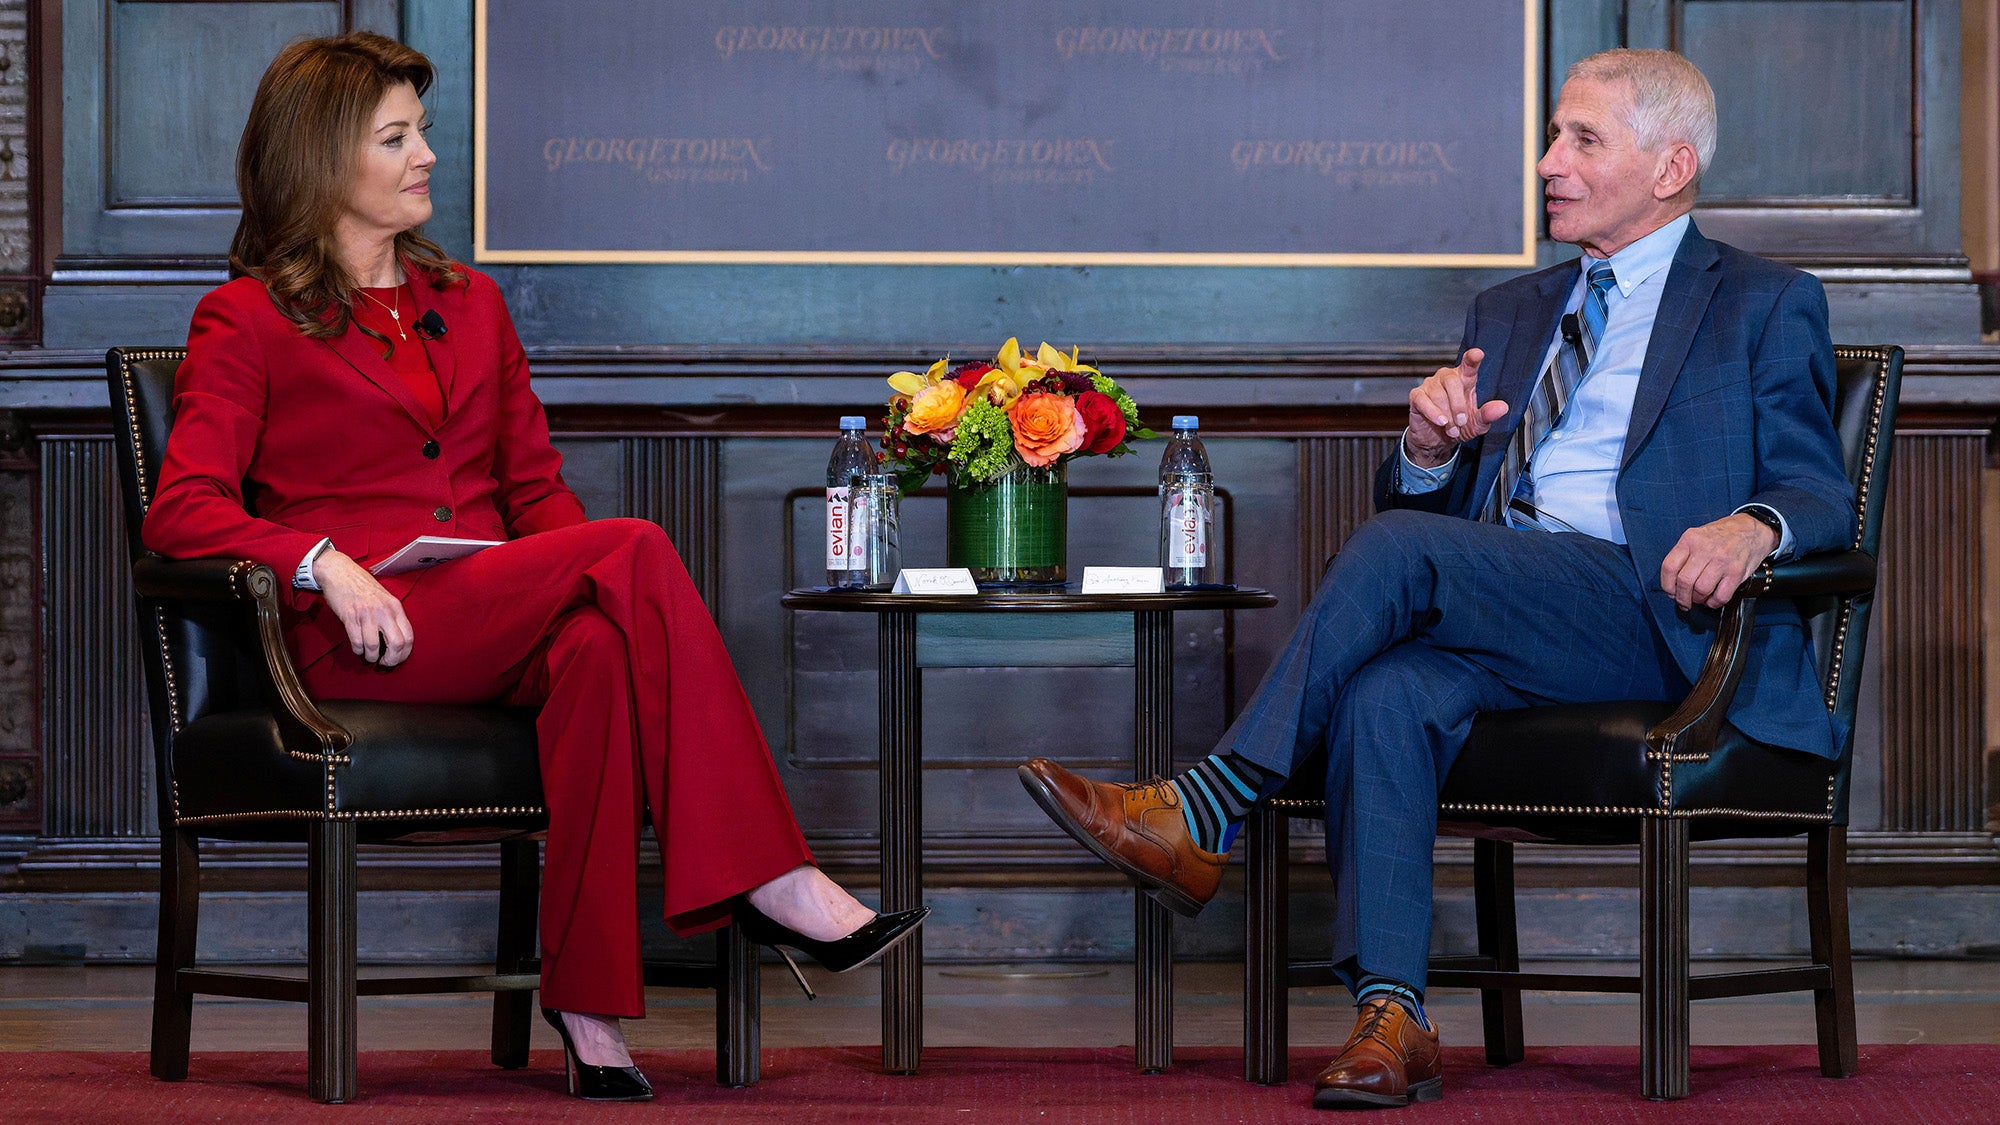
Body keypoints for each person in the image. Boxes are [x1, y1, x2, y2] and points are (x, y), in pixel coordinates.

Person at [1021, 49, 1850, 1111]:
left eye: (1580, 140)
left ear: (1669, 164)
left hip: (1655, 615)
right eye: (1551, 136)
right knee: (1384, 690)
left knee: (1395, 554)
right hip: (1518, 607)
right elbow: (1426, 524)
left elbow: (1816, 489)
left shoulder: (1759, 302)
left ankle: (1206, 807)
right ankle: (1391, 1015)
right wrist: (1425, 453)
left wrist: (1749, 525)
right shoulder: (1508, 310)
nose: (1547, 163)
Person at [141, 31, 926, 1102]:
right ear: (322, 160)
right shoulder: (245, 320)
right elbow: (183, 510)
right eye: (396, 135)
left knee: (600, 647)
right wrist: (325, 562)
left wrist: (567, 571)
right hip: (359, 642)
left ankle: (589, 1008)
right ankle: (771, 876)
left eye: (422, 130)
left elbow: (535, 493)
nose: (426, 154)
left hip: (484, 611)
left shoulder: (469, 304)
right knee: (636, 547)